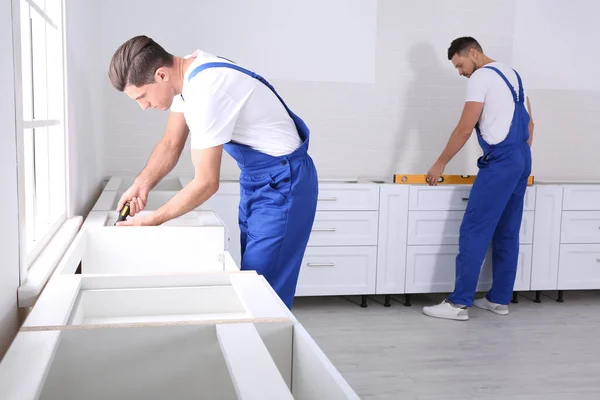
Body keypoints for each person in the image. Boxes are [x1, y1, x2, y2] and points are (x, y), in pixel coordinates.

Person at [107, 35, 319, 309]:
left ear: (161, 75)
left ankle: (265, 348)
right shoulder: (189, 75)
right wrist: (141, 184)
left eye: (142, 96)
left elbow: (206, 183)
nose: (143, 106)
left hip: (285, 181)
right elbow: (171, 143)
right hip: (260, 180)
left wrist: (152, 220)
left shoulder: (206, 91)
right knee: (254, 278)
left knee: (264, 290)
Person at [422, 37, 534, 321]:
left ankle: (458, 304)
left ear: (473, 52)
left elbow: (464, 128)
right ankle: (498, 300)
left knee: (474, 230)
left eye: (460, 65)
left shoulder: (481, 77)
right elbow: (530, 124)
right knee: (507, 231)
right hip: (521, 158)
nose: (461, 72)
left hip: (502, 162)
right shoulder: (513, 74)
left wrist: (440, 162)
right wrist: (517, 160)